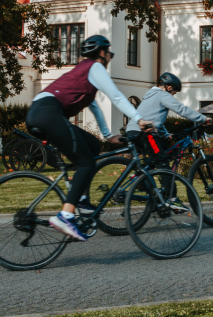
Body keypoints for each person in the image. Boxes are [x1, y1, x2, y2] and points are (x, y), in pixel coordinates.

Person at [26, 35, 152, 241]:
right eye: (109, 53)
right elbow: (117, 96)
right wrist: (138, 119)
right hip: (48, 112)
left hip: (41, 112)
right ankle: (66, 215)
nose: (110, 58)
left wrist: (108, 136)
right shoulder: (95, 67)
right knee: (85, 162)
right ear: (102, 53)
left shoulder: (84, 73)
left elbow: (94, 107)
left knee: (92, 146)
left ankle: (81, 198)